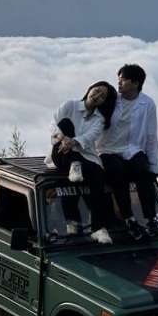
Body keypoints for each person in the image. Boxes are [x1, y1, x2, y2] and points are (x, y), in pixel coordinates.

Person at [46, 81, 116, 243]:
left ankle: (98, 228)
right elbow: (52, 124)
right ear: (89, 88)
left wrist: (74, 142)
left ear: (105, 102)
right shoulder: (70, 105)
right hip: (60, 154)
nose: (97, 95)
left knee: (98, 173)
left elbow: (90, 136)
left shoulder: (100, 120)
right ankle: (74, 164)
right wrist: (64, 139)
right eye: (96, 90)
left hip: (84, 155)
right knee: (65, 123)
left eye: (102, 96)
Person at [97, 64, 158, 234]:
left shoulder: (147, 104)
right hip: (107, 149)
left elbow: (151, 135)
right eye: (118, 79)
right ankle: (129, 218)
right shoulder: (112, 99)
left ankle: (151, 219)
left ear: (135, 83)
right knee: (117, 172)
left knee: (144, 171)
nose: (119, 83)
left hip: (132, 149)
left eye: (123, 80)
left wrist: (155, 165)